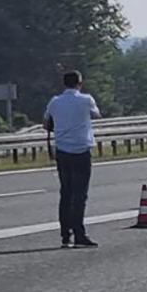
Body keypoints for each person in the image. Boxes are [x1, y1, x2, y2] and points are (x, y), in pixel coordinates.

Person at [44, 70, 101, 247]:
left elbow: (46, 123)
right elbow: (96, 114)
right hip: (81, 150)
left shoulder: (54, 102)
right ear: (80, 83)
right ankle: (79, 234)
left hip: (62, 151)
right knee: (80, 195)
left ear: (64, 84)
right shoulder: (86, 100)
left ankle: (65, 235)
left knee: (66, 193)